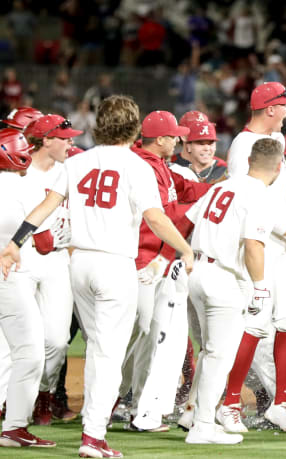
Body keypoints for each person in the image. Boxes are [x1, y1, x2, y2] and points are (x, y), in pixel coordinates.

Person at [0, 95, 195, 458]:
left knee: (97, 351)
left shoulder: (79, 162)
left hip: (79, 265)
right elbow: (155, 218)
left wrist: (16, 242)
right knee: (107, 354)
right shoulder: (136, 166)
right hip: (114, 264)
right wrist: (183, 248)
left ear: (97, 125)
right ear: (134, 127)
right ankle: (93, 436)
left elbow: (47, 205)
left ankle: (84, 429)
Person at [184, 138, 286, 443]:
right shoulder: (259, 193)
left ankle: (197, 416)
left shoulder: (223, 186)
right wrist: (260, 287)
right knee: (220, 354)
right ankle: (204, 423)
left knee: (210, 352)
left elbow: (187, 220)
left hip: (198, 269)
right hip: (224, 277)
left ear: (248, 161)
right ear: (277, 166)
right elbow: (253, 244)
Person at [213, 81, 286, 434]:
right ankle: (229, 403)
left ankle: (281, 404)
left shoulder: (276, 141)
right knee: (252, 325)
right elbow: (247, 202)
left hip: (283, 245)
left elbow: (281, 194)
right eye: (284, 105)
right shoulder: (243, 146)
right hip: (260, 246)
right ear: (269, 108)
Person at [119, 110, 212, 433]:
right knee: (143, 336)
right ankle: (126, 406)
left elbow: (186, 190)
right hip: (145, 261)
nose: (178, 139)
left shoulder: (157, 164)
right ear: (159, 139)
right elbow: (164, 214)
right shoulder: (143, 166)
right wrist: (200, 208)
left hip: (157, 260)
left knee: (148, 336)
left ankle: (136, 408)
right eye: (174, 135)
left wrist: (218, 190)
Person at [21, 115, 82, 425]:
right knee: (19, 337)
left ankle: (45, 394)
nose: (71, 142)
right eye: (65, 137)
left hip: (59, 261)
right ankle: (18, 398)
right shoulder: (17, 172)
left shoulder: (70, 171)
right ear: (45, 140)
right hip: (22, 260)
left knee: (57, 340)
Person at [0, 128, 56, 449]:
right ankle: (15, 427)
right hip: (11, 277)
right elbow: (46, 243)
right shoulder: (27, 186)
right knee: (30, 353)